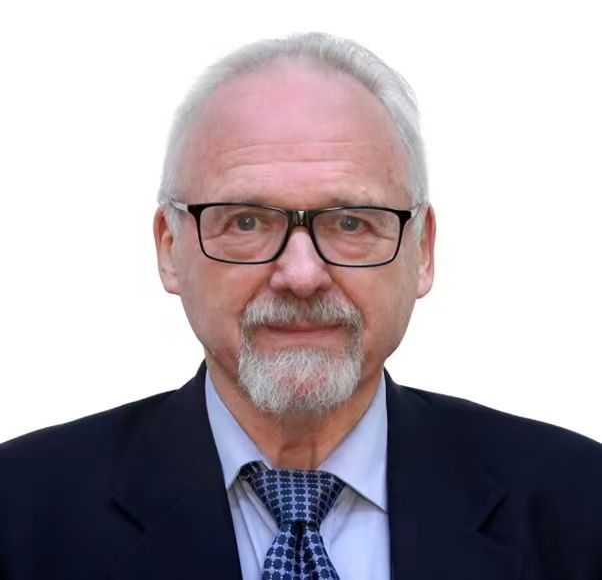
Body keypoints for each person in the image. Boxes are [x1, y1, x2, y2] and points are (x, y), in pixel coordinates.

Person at [0, 33, 600, 580]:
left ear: (422, 251)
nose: (302, 275)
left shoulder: (580, 504)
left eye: (350, 222)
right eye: (247, 221)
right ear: (169, 249)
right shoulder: (20, 512)